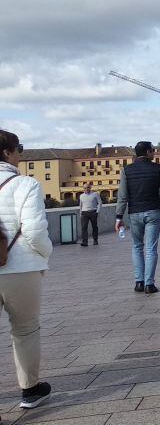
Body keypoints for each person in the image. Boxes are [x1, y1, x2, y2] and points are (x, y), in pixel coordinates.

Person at [0, 129, 53, 410]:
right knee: (25, 329)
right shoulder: (25, 184)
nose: (21, 152)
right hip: (19, 267)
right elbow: (33, 230)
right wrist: (45, 253)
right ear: (7, 153)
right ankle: (30, 391)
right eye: (19, 147)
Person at [114, 141, 160, 294]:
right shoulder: (158, 169)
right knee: (151, 248)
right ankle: (149, 284)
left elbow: (122, 196)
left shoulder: (127, 171)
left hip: (134, 213)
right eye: (152, 150)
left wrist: (119, 217)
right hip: (153, 211)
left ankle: (139, 282)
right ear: (147, 152)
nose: (154, 153)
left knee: (137, 247)